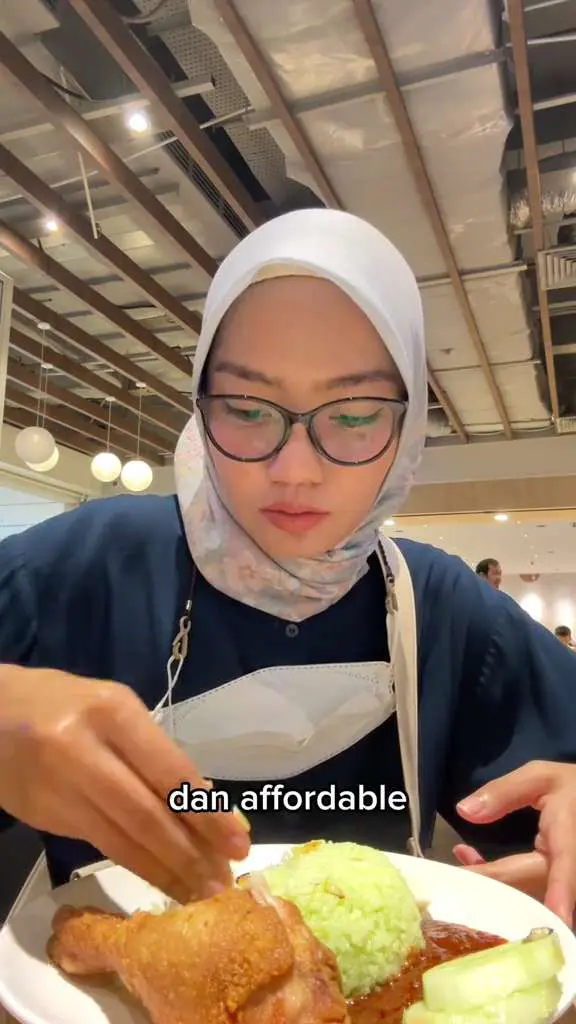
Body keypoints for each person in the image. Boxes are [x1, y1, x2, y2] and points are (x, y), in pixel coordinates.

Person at [1, 210, 576, 926]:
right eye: (247, 408)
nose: (295, 469)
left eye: (355, 415)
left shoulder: (440, 609)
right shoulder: (76, 570)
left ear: (407, 427)